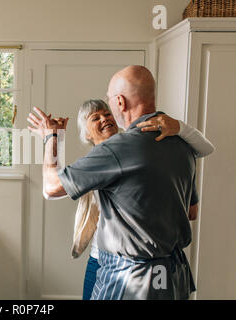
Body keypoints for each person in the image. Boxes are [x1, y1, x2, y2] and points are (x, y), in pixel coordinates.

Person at [27, 65, 211, 299]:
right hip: (171, 276)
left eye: (109, 101)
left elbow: (51, 188)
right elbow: (191, 211)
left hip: (131, 279)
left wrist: (50, 138)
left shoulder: (118, 150)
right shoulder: (183, 145)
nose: (107, 113)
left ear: (120, 102)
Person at [66, 99, 214, 300]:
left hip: (133, 264)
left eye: (107, 113)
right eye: (95, 117)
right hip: (99, 257)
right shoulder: (89, 165)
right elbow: (54, 186)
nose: (105, 119)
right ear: (86, 134)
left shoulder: (136, 150)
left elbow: (192, 210)